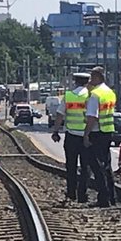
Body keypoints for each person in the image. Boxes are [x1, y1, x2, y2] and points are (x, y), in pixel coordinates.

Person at [51, 72, 91, 203]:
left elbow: (59, 114)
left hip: (71, 136)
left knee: (71, 166)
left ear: (75, 81)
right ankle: (83, 194)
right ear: (87, 82)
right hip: (86, 136)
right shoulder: (90, 96)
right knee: (85, 167)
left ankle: (71, 192)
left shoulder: (69, 96)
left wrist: (56, 131)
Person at [84, 66, 117, 207]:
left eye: (92, 77)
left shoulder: (95, 94)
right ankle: (112, 196)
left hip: (97, 132)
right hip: (108, 131)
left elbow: (92, 117)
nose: (90, 80)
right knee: (107, 165)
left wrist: (86, 135)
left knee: (96, 166)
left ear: (98, 77)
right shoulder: (110, 93)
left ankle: (103, 198)